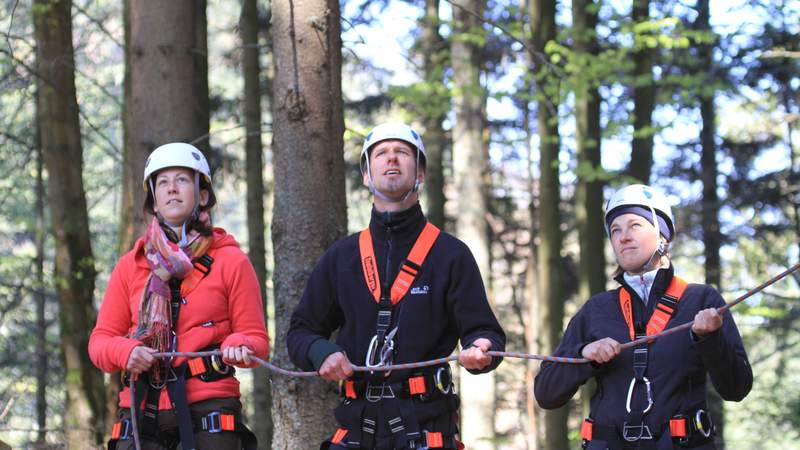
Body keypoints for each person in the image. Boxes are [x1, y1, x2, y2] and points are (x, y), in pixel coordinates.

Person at [287, 123, 506, 450]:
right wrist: (322, 352)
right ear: (366, 174)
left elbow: (485, 331)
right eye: (381, 154)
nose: (392, 159)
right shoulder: (342, 257)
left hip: (426, 426)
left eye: (402, 152)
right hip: (357, 428)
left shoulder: (449, 254)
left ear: (419, 172)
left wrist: (482, 349)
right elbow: (300, 332)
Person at [534, 184, 753, 449]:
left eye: (634, 225)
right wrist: (584, 357)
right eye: (615, 230)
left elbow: (737, 388)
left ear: (662, 235)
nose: (623, 236)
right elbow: (546, 394)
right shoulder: (597, 310)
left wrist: (710, 339)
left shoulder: (701, 301)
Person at [88, 142, 268, 450]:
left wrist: (241, 346)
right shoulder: (132, 265)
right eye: (163, 182)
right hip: (141, 408)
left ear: (202, 195)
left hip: (207, 406)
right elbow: (100, 342)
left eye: (182, 180)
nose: (172, 189)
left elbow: (256, 339)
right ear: (154, 201)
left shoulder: (231, 261)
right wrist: (125, 352)